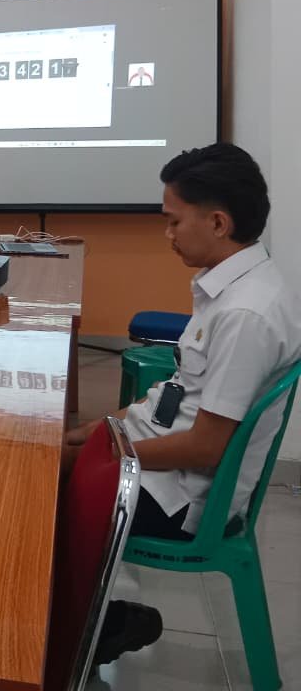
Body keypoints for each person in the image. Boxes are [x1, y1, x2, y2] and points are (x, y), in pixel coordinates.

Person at [62, 143, 301, 665]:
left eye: (174, 222)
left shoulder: (246, 316)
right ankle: (85, 620)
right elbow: (176, 397)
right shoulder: (234, 287)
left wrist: (105, 450)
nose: (167, 234)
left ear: (217, 222)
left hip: (179, 498)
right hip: (160, 462)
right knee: (46, 453)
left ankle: (74, 635)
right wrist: (96, 429)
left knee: (32, 487)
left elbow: (204, 447)